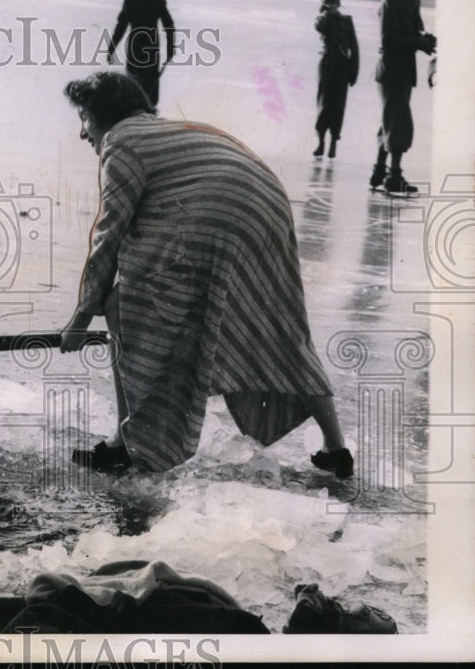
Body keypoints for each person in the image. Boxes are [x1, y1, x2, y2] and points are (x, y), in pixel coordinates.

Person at [58, 72, 352, 479]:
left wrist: (79, 318)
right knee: (279, 327)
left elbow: (110, 232)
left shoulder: (122, 141)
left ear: (103, 115)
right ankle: (336, 448)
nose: (82, 132)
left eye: (84, 117)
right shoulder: (160, 131)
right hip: (265, 206)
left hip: (224, 211)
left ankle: (125, 443)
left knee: (118, 306)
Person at [370, 0, 436, 195]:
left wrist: (424, 40)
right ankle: (393, 176)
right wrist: (418, 43)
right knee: (399, 122)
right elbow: (388, 40)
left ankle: (379, 171)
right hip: (392, 71)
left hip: (401, 70)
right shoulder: (393, 0)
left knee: (390, 120)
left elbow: (414, 30)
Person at [106, 0, 176, 111]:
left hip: (151, 49)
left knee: (150, 92)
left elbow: (168, 24)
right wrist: (111, 49)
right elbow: (121, 26)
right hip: (134, 49)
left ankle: (148, 118)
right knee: (131, 88)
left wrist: (171, 49)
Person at [312, 0, 359, 159]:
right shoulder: (322, 19)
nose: (333, 5)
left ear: (340, 3)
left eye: (336, 2)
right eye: (330, 2)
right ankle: (321, 142)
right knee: (324, 103)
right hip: (327, 63)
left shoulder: (347, 21)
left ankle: (333, 143)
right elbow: (319, 27)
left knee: (338, 105)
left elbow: (354, 48)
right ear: (325, 3)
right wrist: (327, 13)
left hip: (342, 66)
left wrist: (354, 72)